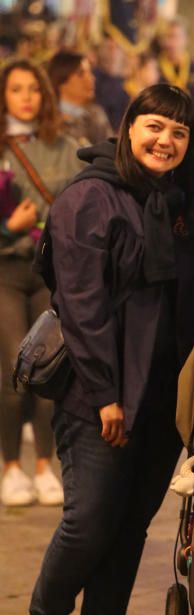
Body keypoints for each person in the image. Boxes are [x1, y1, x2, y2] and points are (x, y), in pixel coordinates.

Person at [28, 84, 194, 615]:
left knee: (130, 527)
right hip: (99, 397)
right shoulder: (90, 199)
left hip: (160, 400)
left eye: (180, 134)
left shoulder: (173, 203)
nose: (166, 141)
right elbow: (83, 307)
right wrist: (107, 394)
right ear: (129, 128)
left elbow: (172, 298)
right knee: (91, 520)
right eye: (155, 126)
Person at [0, 59, 83, 507]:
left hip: (51, 271)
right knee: (15, 367)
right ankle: (10, 466)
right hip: (6, 271)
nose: (27, 96)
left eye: (34, 88)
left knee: (53, 367)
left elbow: (82, 202)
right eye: (16, 89)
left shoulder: (66, 145)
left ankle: (43, 466)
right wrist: (9, 227)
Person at [157, 16, 194, 148]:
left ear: (185, 39)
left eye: (176, 37)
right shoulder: (155, 69)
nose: (171, 42)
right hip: (162, 138)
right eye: (167, 37)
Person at [47, 50, 113, 145]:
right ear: (61, 80)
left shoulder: (96, 116)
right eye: (80, 74)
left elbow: (111, 153)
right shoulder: (48, 118)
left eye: (89, 72)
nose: (91, 78)